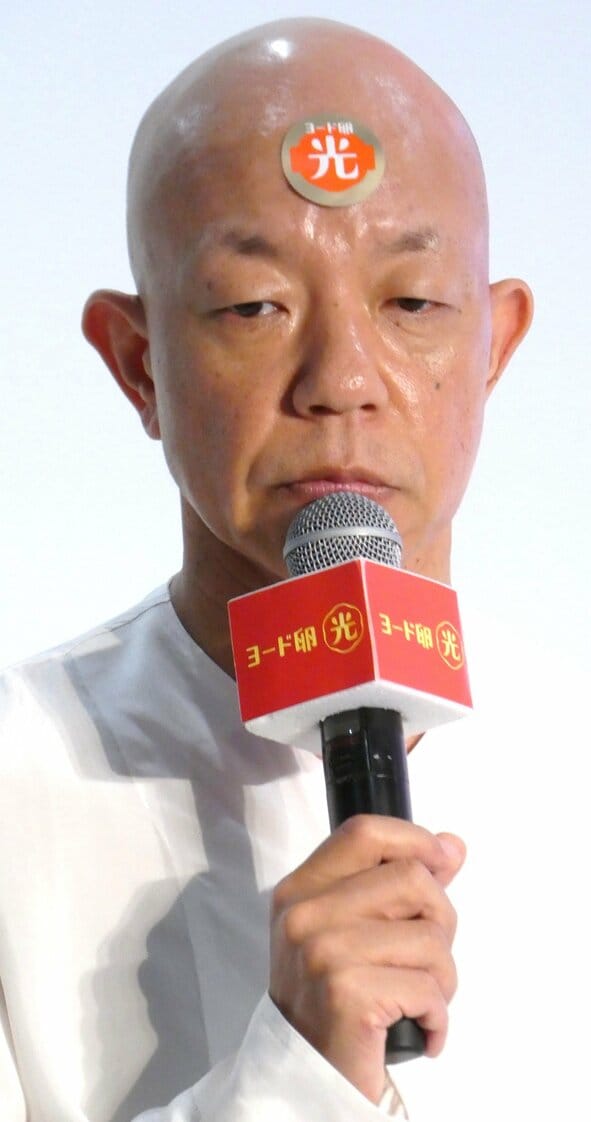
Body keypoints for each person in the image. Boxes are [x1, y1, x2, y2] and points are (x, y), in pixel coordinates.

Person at [0, 17, 533, 1121]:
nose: (341, 379)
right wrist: (293, 1080)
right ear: (138, 364)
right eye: (255, 307)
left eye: (411, 304)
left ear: (493, 345)